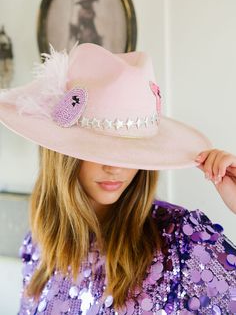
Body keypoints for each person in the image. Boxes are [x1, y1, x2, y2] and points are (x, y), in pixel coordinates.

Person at [0, 43, 235, 314]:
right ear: (63, 154)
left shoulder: (180, 241)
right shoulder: (39, 245)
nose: (116, 167)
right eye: (97, 149)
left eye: (129, 151)